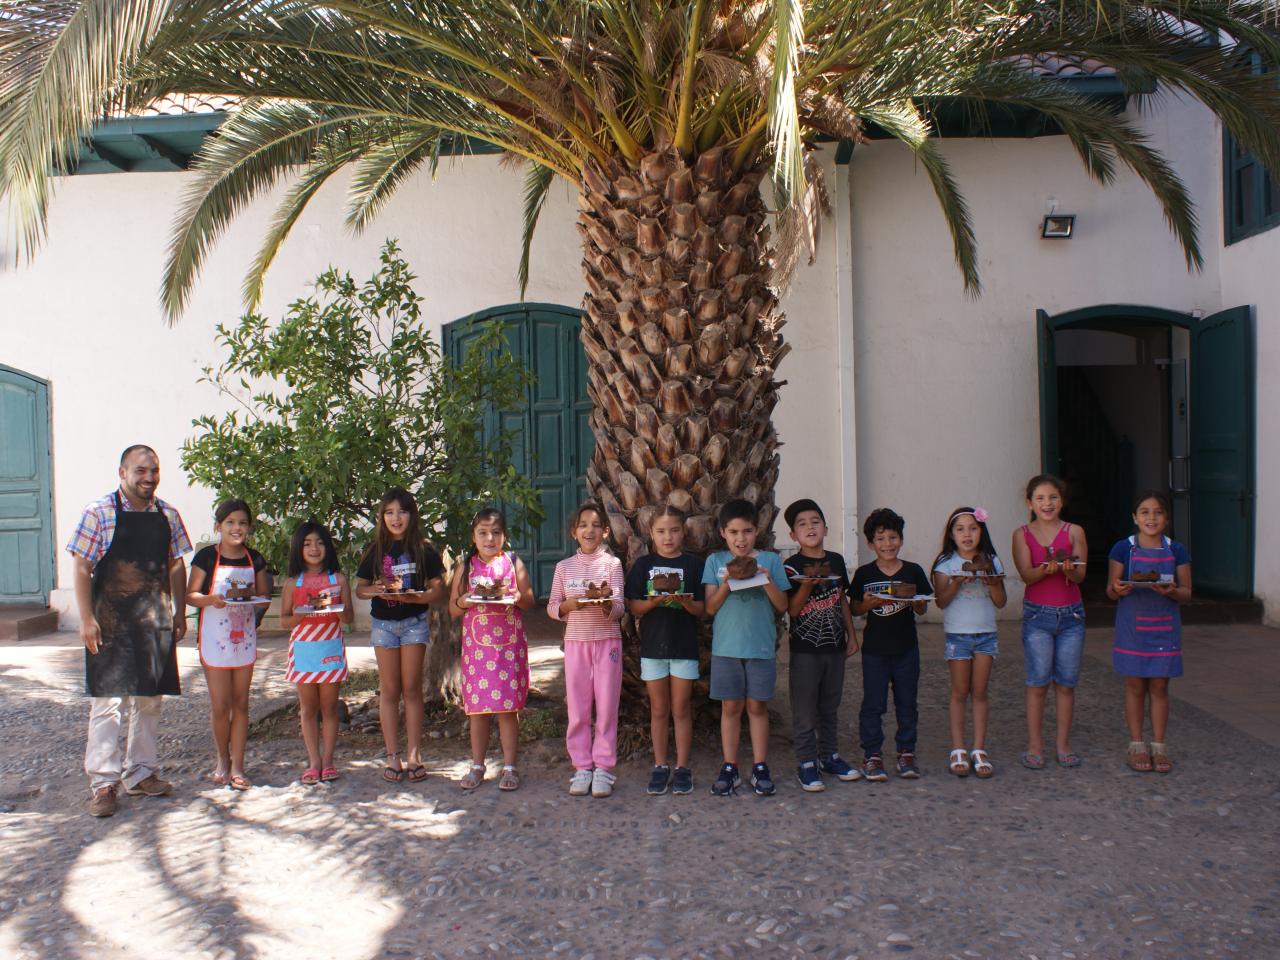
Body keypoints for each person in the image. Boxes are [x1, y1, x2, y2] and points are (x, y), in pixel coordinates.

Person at [68, 445, 193, 818]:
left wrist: (179, 612)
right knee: (107, 703)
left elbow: (175, 565)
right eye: (140, 471)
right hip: (109, 619)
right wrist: (86, 617)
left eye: (154, 470)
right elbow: (80, 567)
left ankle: (140, 773)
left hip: (153, 618)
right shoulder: (98, 513)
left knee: (150, 700)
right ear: (122, 473)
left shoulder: (167, 514)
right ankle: (104, 783)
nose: (149, 478)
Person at [354, 488, 446, 783]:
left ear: (411, 515)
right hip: (383, 625)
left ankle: (414, 755)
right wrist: (379, 589)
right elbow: (360, 589)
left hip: (414, 623)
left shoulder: (424, 548)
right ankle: (393, 755)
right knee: (389, 690)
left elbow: (438, 589)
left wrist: (416, 599)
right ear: (382, 517)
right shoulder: (374, 550)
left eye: (402, 512)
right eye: (390, 512)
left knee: (412, 689)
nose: (396, 518)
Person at [702, 498, 791, 797]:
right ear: (723, 532)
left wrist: (765, 581)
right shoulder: (715, 563)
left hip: (760, 648)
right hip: (726, 649)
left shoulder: (771, 562)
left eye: (748, 531)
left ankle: (760, 765)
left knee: (757, 706)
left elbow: (782, 606)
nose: (741, 539)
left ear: (758, 531)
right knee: (731, 707)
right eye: (734, 532)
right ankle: (730, 766)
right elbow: (710, 608)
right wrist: (728, 582)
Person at [185, 499, 270, 790]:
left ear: (249, 528)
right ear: (218, 526)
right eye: (230, 522)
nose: (237, 528)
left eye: (243, 523)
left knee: (241, 703)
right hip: (214, 639)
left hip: (243, 639)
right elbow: (191, 595)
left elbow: (263, 596)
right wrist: (213, 600)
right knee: (221, 705)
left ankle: (238, 766)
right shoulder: (207, 557)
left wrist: (254, 612)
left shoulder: (255, 559)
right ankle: (222, 759)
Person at [448, 508, 535, 792]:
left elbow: (529, 601)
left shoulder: (512, 562)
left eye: (496, 533)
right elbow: (452, 609)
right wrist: (464, 601)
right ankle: (477, 765)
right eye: (483, 533)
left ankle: (510, 766)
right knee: (478, 710)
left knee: (508, 709)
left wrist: (517, 597)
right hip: (478, 651)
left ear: (504, 536)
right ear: (473, 537)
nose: (490, 538)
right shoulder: (465, 567)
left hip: (508, 650)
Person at [1106, 491, 1191, 774]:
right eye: (1144, 512)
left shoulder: (1175, 550)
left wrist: (1172, 590)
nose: (1151, 518)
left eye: (1157, 512)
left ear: (1166, 519)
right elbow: (1110, 590)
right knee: (1135, 686)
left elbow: (1187, 592)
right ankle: (1137, 744)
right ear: (1135, 517)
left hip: (1164, 629)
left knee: (1160, 686)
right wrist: (1118, 589)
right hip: (1132, 628)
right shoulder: (1122, 549)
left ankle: (1159, 746)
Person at [624, 506, 706, 796]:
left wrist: (684, 601)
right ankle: (660, 765)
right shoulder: (645, 565)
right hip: (652, 648)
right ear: (651, 534)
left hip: (684, 647)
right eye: (661, 531)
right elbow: (634, 606)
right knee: (658, 710)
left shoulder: (694, 566)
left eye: (674, 530)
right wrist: (654, 602)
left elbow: (702, 608)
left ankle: (682, 767)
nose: (668, 537)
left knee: (681, 709)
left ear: (683, 532)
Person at [1010, 474, 1088, 770]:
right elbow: (1027, 574)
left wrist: (1068, 570)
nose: (1047, 503)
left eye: (1053, 497)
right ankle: (1034, 746)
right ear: (1030, 503)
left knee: (1066, 683)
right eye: (1040, 498)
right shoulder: (1021, 534)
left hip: (1072, 615)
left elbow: (1080, 575)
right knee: (1037, 682)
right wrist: (1048, 569)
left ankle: (1063, 744)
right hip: (1037, 615)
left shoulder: (1075, 531)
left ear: (1062, 501)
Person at [547, 502, 625, 798]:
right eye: (583, 525)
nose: (589, 530)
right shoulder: (563, 567)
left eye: (595, 525)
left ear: (605, 531)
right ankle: (582, 766)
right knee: (578, 708)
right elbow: (553, 607)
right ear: (573, 532)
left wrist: (606, 605)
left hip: (607, 644)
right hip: (576, 644)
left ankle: (604, 768)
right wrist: (568, 606)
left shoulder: (612, 565)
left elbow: (619, 606)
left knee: (606, 707)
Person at [848, 507, 931, 782]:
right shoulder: (864, 574)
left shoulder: (913, 571)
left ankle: (906, 752)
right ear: (871, 544)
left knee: (907, 702)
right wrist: (867, 604)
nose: (887, 545)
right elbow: (855, 608)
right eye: (880, 539)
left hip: (906, 648)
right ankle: (872, 755)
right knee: (873, 703)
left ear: (901, 539)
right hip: (875, 650)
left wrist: (918, 604)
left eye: (893, 538)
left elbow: (922, 608)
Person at [782, 498, 859, 792]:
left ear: (825, 528)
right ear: (793, 536)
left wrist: (851, 636)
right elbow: (792, 610)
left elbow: (841, 600)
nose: (810, 527)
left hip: (835, 646)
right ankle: (806, 761)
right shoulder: (791, 567)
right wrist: (808, 584)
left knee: (830, 705)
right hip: (805, 648)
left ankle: (830, 755)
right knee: (804, 707)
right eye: (802, 524)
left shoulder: (837, 561)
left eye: (815, 521)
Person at [931, 506, 1008, 778]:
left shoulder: (992, 561)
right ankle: (958, 748)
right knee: (959, 691)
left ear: (981, 532)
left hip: (986, 635)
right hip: (958, 636)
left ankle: (978, 748)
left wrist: (990, 580)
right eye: (960, 529)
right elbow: (941, 602)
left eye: (973, 528)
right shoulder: (945, 564)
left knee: (980, 691)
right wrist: (956, 582)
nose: (967, 534)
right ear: (951, 534)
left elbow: (1001, 602)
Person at [279, 521, 353, 785]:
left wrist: (336, 607)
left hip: (330, 646)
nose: (314, 548)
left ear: (328, 547)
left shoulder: (338, 579)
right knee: (308, 708)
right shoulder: (291, 583)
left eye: (320, 542)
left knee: (330, 707)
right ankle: (313, 762)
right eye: (308, 543)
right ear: (299, 547)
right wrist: (301, 614)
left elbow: (349, 618)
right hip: (303, 649)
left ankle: (329, 760)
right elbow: (284, 621)